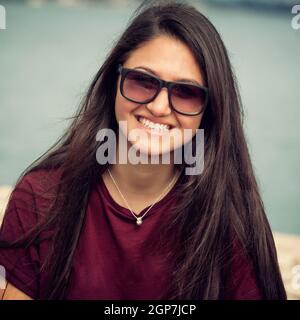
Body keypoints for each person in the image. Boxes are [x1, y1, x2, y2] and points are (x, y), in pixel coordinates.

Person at [0, 0, 286, 300]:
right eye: (143, 81)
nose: (159, 107)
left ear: (209, 111)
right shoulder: (40, 198)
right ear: (115, 82)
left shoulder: (231, 219)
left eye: (187, 93)